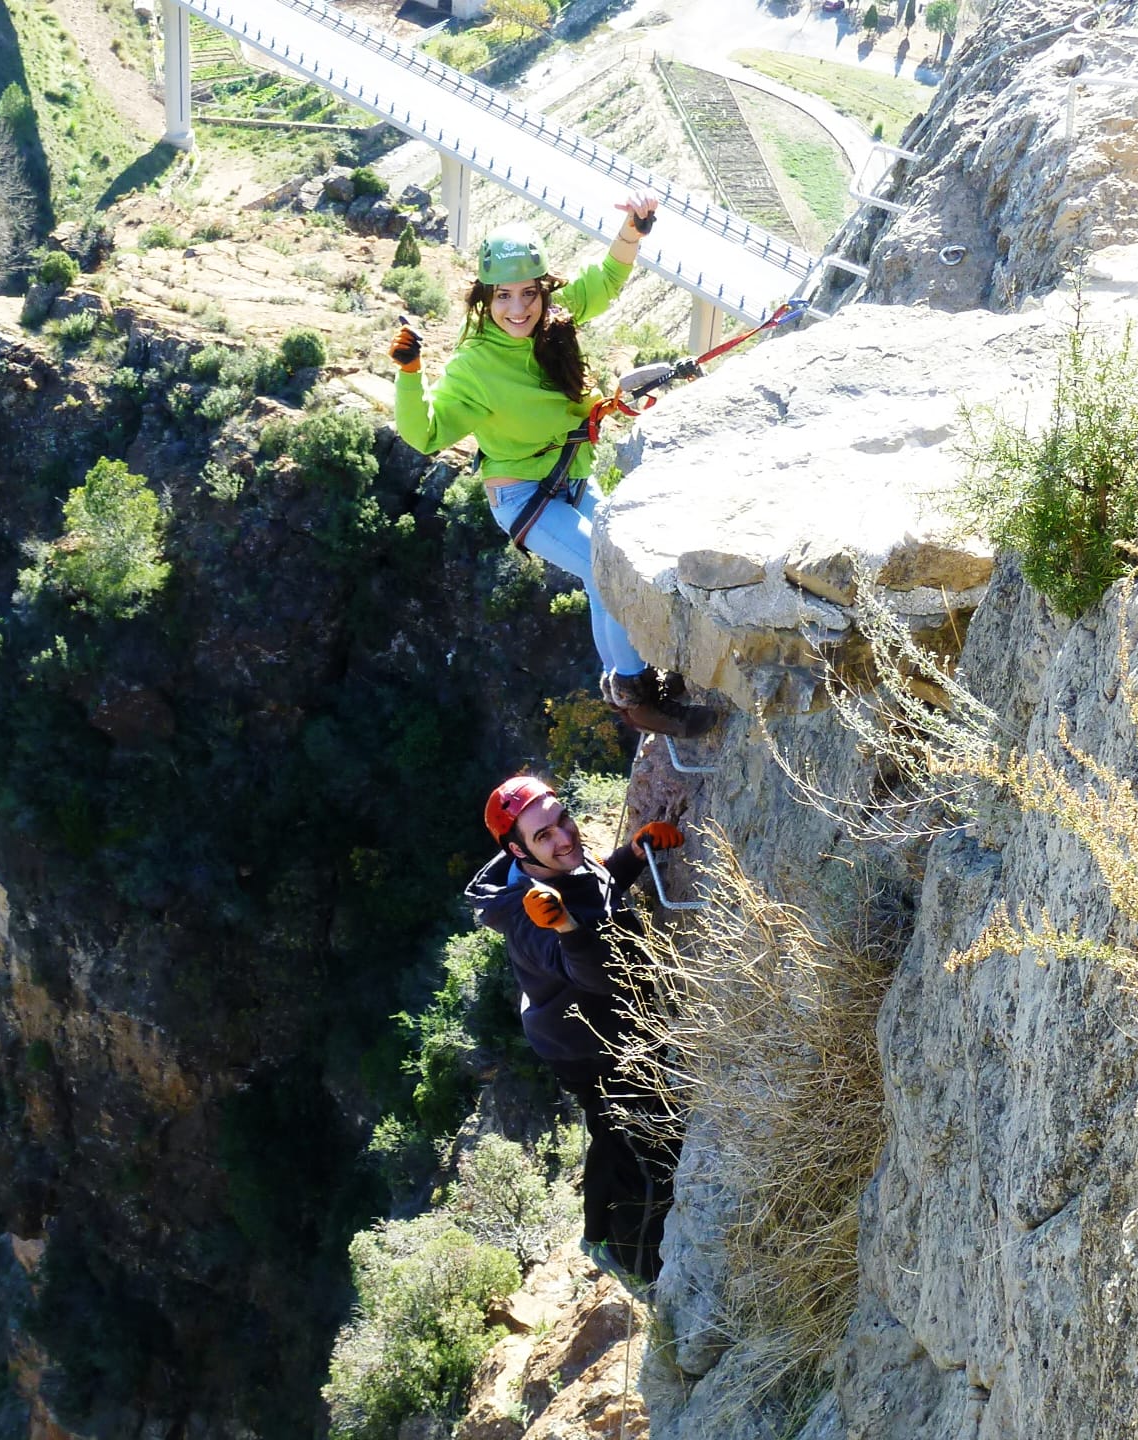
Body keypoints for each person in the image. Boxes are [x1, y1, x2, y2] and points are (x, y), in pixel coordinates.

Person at [390, 199, 713, 737]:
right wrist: (410, 371)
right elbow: (425, 432)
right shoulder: (474, 367)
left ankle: (629, 677)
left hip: (570, 478)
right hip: (522, 498)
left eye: (529, 294)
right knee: (609, 570)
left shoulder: (554, 325)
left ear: (542, 290)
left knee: (607, 572)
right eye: (504, 297)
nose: (518, 309)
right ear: (484, 300)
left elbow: (605, 281)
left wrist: (631, 232)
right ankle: (638, 696)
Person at [466, 774, 684, 1286]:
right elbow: (598, 975)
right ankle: (633, 1260)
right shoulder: (527, 917)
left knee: (617, 1129)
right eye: (544, 835)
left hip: (594, 1025)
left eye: (562, 819)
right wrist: (564, 928)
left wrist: (632, 854)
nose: (564, 837)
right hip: (583, 1043)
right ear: (519, 851)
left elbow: (595, 888)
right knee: (637, 1143)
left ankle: (597, 1235)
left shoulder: (560, 863)